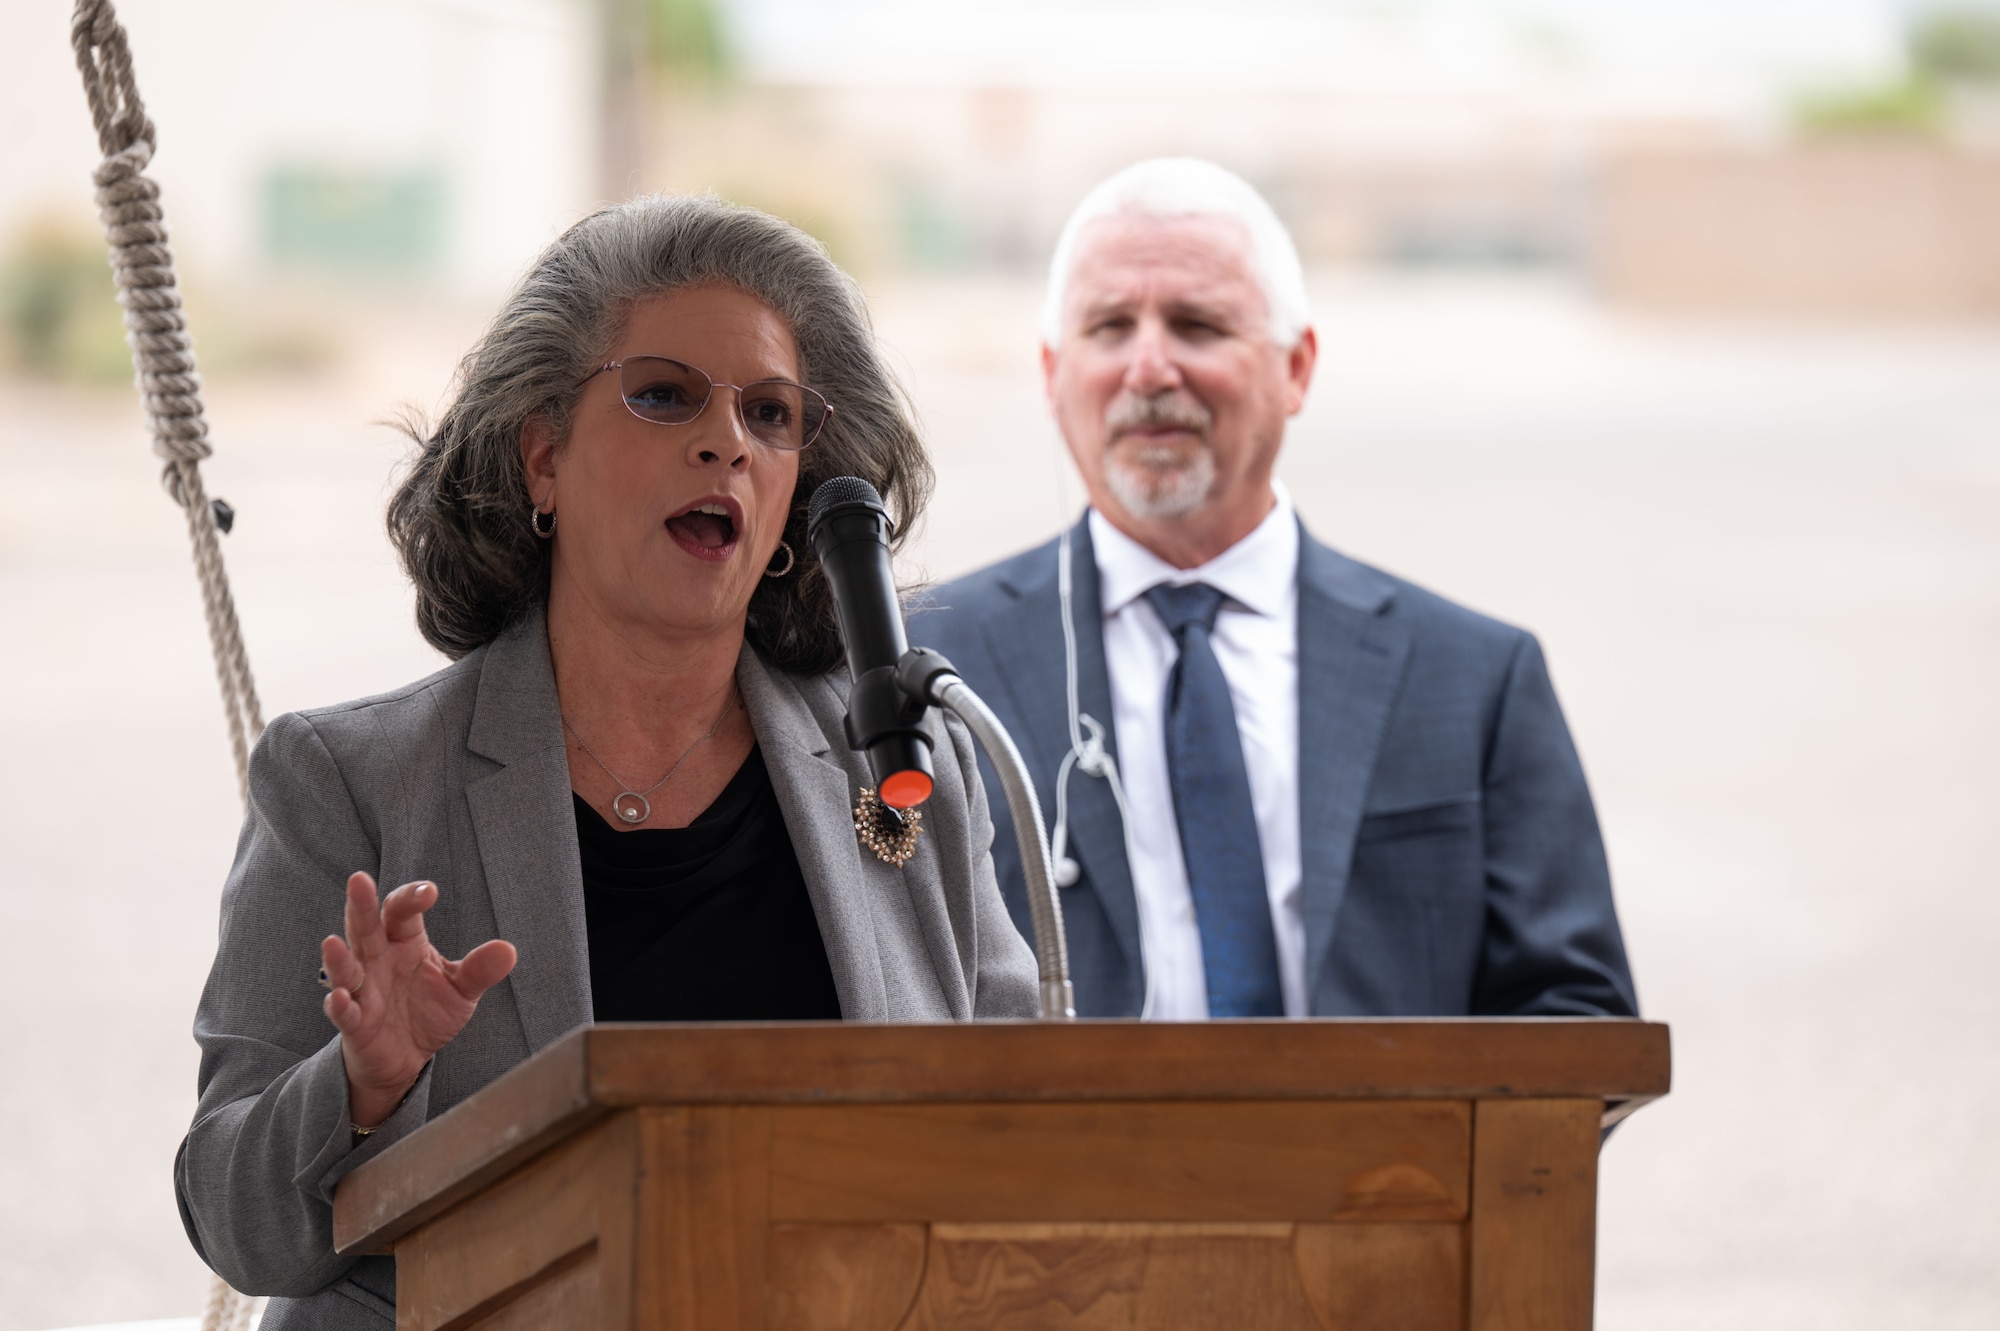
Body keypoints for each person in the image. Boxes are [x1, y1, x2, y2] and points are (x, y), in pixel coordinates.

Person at [176, 195, 1039, 1329]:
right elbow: (238, 1221)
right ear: (543, 457)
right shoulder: (347, 781)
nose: (725, 437)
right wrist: (359, 1085)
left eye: (770, 413)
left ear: (790, 502)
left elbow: (1032, 1132)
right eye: (664, 393)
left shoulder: (901, 771)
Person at [910, 159, 1636, 1021]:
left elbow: (1575, 1012)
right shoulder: (926, 671)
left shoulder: (1475, 679)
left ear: (1297, 367)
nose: (1148, 368)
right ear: (1050, 373)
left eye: (1196, 324)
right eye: (1109, 326)